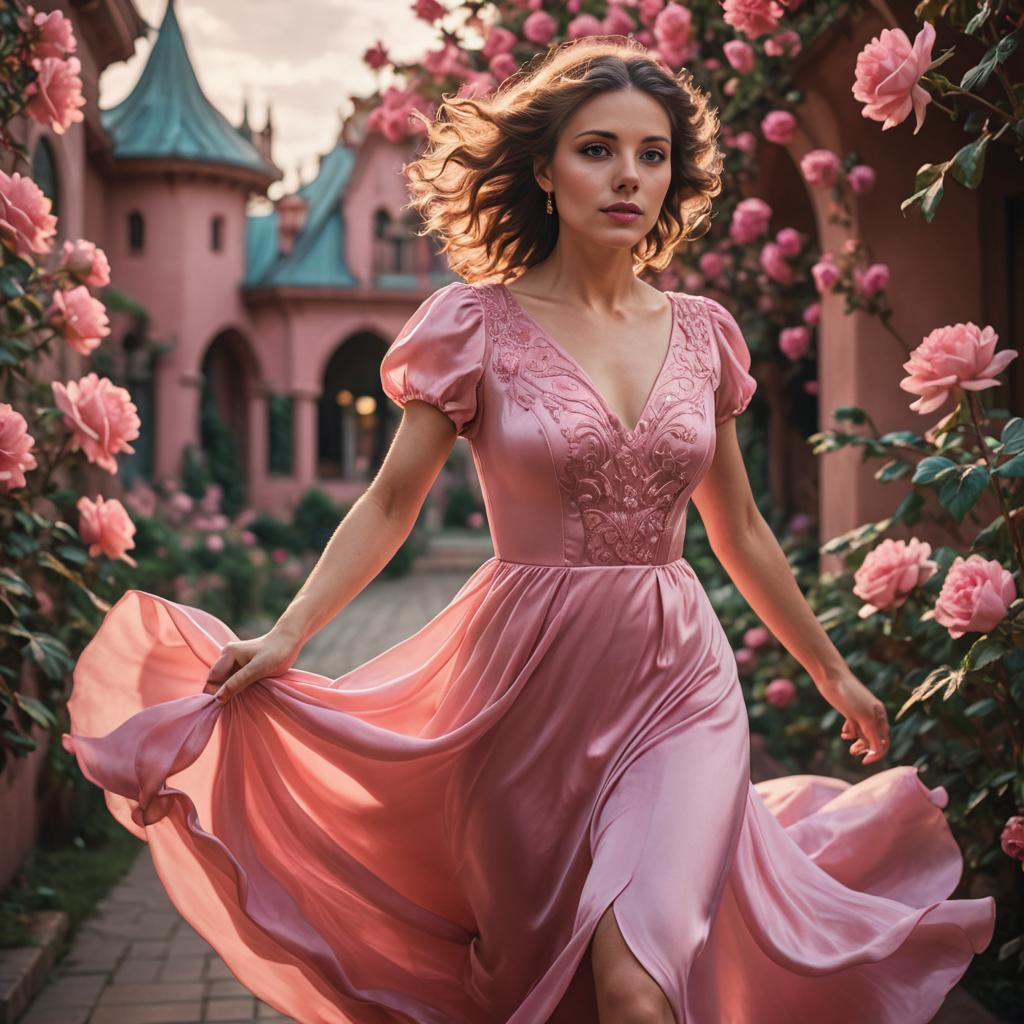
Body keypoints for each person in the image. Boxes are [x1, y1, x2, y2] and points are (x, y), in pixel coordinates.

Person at [62, 35, 996, 1024]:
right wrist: (289, 633)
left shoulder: (704, 331)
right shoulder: (472, 325)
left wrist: (829, 670)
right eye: (597, 149)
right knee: (543, 989)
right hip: (516, 694)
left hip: (678, 685)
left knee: (637, 987)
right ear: (545, 169)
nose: (627, 175)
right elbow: (389, 501)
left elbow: (742, 529)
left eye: (651, 153)